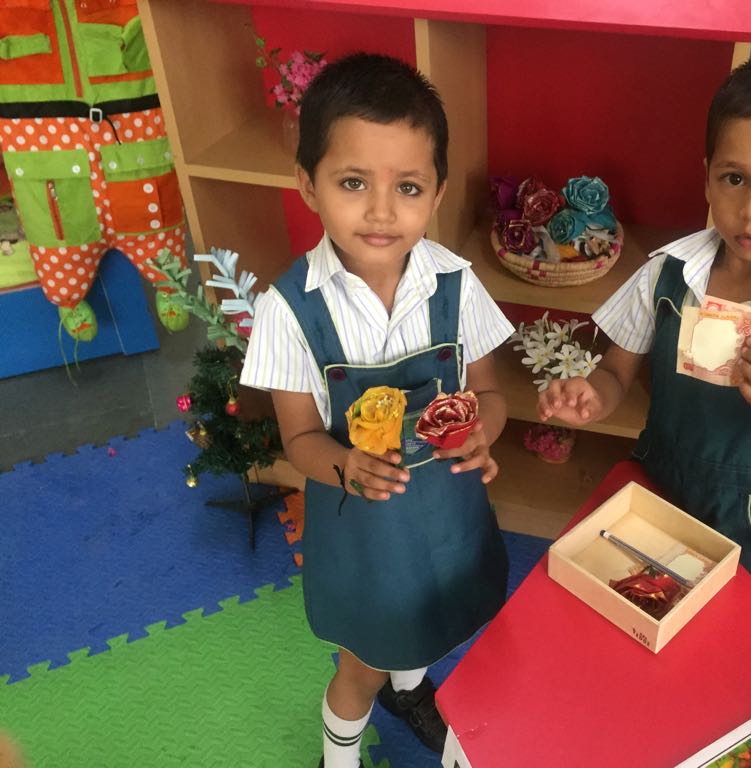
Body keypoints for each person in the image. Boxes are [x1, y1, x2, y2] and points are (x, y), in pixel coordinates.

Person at [241, 52, 512, 768]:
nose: (383, 211)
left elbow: (489, 392)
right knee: (361, 665)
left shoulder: (456, 283)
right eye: (354, 182)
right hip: (361, 532)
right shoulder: (289, 309)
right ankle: (340, 753)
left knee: (433, 621)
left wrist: (483, 432)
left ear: (437, 192)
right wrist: (346, 465)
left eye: (408, 187)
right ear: (309, 184)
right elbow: (300, 439)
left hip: (445, 518)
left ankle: (411, 687)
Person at [537, 52, 751, 613]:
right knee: (641, 614)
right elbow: (617, 373)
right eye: (735, 178)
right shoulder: (667, 273)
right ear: (707, 178)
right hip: (661, 491)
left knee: (738, 636)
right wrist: (593, 395)